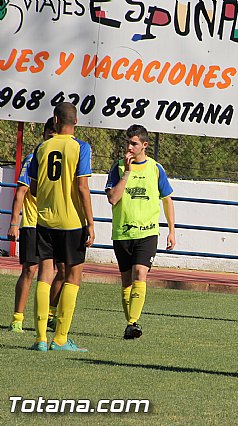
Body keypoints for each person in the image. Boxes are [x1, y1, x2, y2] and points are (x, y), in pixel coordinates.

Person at [27, 102, 95, 352]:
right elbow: (82, 187)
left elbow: (33, 188)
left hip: (44, 221)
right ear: (75, 122)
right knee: (73, 276)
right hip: (71, 222)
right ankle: (61, 338)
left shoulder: (42, 147)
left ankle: (40, 339)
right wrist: (90, 222)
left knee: (45, 275)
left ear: (55, 120)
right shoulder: (81, 148)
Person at [105, 124, 176, 339]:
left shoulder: (155, 168)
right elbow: (113, 199)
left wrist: (172, 230)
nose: (129, 147)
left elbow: (167, 200)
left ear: (144, 145)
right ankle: (131, 324)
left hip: (147, 233)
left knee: (140, 274)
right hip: (122, 233)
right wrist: (127, 172)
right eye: (128, 142)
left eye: (134, 143)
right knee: (126, 280)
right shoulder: (117, 167)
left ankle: (132, 322)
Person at [6, 118, 65, 333]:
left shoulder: (65, 158)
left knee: (63, 270)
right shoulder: (33, 158)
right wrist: (14, 223)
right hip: (33, 223)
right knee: (30, 269)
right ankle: (17, 318)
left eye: (55, 135)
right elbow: (21, 191)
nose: (52, 139)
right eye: (49, 135)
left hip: (57, 224)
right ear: (44, 135)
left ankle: (49, 314)